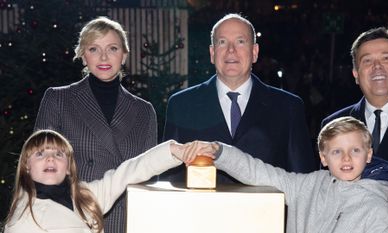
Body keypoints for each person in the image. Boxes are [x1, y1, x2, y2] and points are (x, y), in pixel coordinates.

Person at [33, 16, 157, 232]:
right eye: (93, 49)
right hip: (72, 217)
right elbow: (41, 168)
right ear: (83, 56)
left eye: (112, 48)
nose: (103, 57)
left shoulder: (144, 111)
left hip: (127, 218)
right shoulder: (58, 99)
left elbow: (150, 176)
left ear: (124, 55)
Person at [162, 13, 317, 183]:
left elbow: (304, 183)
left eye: (240, 41)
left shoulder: (288, 108)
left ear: (254, 52)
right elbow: (170, 180)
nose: (231, 50)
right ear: (212, 53)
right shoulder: (182, 105)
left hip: (266, 209)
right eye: (222, 42)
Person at [186, 117, 388, 233]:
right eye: (336, 151)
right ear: (323, 158)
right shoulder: (307, 186)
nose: (346, 158)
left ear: (368, 154)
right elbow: (259, 172)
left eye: (355, 150)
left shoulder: (376, 209)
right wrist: (220, 152)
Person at [4, 129, 196, 233]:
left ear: (69, 166)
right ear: (26, 166)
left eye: (59, 154)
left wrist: (172, 152)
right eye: (40, 153)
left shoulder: (86, 195)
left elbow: (128, 172)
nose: (50, 158)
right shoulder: (24, 218)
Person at [321, 27, 388, 232]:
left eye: (386, 58)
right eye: (367, 61)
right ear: (355, 74)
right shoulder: (334, 124)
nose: (377, 67)